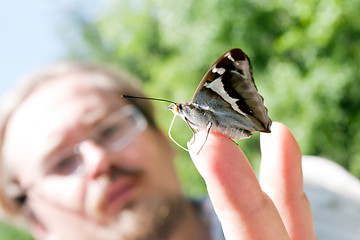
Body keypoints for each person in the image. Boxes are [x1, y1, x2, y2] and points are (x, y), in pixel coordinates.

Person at [0, 61, 316, 240]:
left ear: (163, 140)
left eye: (110, 129)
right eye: (62, 162)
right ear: (36, 221)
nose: (99, 160)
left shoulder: (316, 191)